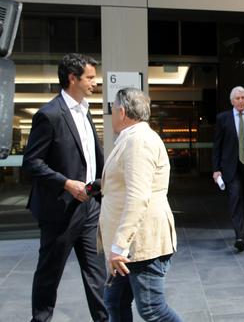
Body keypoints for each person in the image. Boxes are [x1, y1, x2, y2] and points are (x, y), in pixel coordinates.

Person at [22, 53, 108, 322]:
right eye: (90, 78)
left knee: (97, 275)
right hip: (60, 211)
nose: (95, 82)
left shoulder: (85, 111)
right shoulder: (49, 115)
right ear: (73, 78)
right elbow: (31, 163)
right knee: (49, 274)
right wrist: (67, 184)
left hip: (90, 207)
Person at [100, 88, 181, 322]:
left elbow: (138, 195)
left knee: (152, 309)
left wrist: (119, 245)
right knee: (115, 302)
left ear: (122, 111)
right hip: (130, 246)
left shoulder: (138, 141)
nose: (112, 114)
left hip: (140, 244)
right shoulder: (132, 138)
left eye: (112, 109)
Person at [212, 86, 244, 252]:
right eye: (237, 98)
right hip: (231, 165)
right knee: (235, 197)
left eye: (243, 97)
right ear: (232, 101)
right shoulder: (223, 118)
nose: (240, 101)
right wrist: (216, 168)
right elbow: (217, 145)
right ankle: (239, 235)